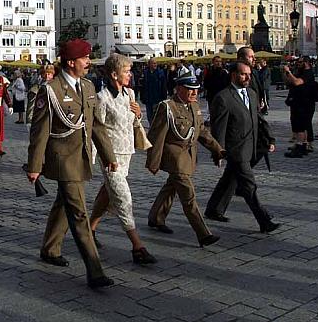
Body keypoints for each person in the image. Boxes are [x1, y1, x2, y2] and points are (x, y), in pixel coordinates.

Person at [27, 39, 117, 289]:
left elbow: (95, 125)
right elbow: (40, 131)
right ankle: (95, 270)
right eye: (85, 58)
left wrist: (109, 155)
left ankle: (50, 248)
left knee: (63, 203)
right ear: (70, 62)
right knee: (79, 212)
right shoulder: (51, 90)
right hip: (63, 159)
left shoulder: (88, 87)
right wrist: (34, 165)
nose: (89, 62)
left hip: (82, 157)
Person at [89, 54, 156, 264]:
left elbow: (133, 122)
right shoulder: (102, 98)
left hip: (127, 153)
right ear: (114, 74)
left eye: (129, 70)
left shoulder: (130, 94)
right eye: (126, 71)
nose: (130, 74)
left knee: (108, 193)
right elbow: (96, 129)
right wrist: (92, 157)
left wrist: (138, 114)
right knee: (123, 197)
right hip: (110, 156)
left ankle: (89, 228)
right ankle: (137, 245)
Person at [146, 71, 225, 247]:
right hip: (174, 157)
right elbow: (156, 136)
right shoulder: (167, 107)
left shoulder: (194, 106)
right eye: (190, 90)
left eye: (196, 90)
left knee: (171, 187)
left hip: (189, 156)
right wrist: (153, 161)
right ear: (179, 89)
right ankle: (203, 234)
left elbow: (202, 131)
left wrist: (218, 150)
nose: (194, 93)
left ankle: (156, 217)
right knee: (188, 196)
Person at [205, 62, 278, 233]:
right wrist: (218, 152)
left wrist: (269, 139)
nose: (247, 77)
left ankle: (214, 209)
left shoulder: (251, 94)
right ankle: (264, 220)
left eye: (249, 74)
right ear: (233, 75)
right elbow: (219, 128)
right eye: (243, 74)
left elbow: (258, 120)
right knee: (249, 184)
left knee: (230, 179)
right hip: (235, 150)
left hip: (250, 147)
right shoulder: (223, 98)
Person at [283, 57, 318, 158]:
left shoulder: (308, 73)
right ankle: (302, 146)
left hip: (304, 104)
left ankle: (300, 147)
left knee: (300, 127)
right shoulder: (300, 72)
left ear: (306, 63)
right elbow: (289, 83)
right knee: (298, 126)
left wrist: (289, 72)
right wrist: (286, 73)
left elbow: (297, 82)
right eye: (297, 62)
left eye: (300, 62)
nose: (298, 64)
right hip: (297, 103)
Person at [141, 58, 167, 125]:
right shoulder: (145, 73)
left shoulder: (160, 72)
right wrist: (142, 97)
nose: (155, 65)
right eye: (153, 63)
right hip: (148, 98)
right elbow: (143, 86)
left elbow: (163, 85)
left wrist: (164, 97)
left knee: (157, 116)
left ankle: (155, 130)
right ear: (149, 64)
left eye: (156, 63)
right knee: (149, 115)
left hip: (157, 98)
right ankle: (151, 128)